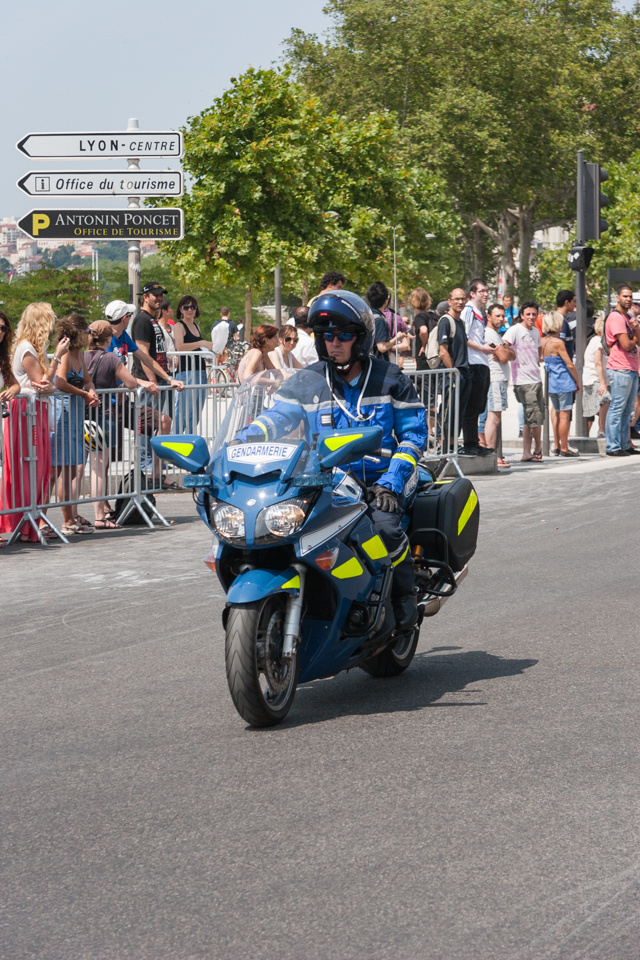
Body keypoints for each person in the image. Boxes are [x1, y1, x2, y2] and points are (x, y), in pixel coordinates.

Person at [240, 290, 427, 635]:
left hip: (381, 478)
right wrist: (247, 436)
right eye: (326, 336)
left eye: (343, 335)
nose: (334, 343)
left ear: (361, 338)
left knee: (383, 527)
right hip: (327, 481)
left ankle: (404, 596)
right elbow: (277, 417)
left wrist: (391, 483)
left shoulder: (390, 378)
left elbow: (414, 437)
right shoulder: (307, 381)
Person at [0, 303, 69, 542]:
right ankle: (25, 525)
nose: (51, 328)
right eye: (49, 321)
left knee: (36, 469)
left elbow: (43, 386)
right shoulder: (26, 348)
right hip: (26, 412)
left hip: (31, 410)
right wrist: (57, 357)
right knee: (29, 469)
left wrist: (46, 386)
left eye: (3, 328)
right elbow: (41, 383)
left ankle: (30, 524)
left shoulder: (27, 348)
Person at [84, 320, 142, 528]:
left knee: (89, 467)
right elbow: (131, 382)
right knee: (100, 467)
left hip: (85, 415)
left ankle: (80, 515)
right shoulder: (110, 358)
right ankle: (100, 516)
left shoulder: (82, 356)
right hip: (105, 415)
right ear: (108, 339)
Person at [130, 283, 185, 481]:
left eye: (161, 295)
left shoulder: (153, 320)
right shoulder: (142, 320)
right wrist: (152, 381)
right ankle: (146, 471)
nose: (159, 298)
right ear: (145, 297)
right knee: (147, 429)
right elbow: (143, 354)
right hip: (149, 383)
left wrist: (166, 377)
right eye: (155, 295)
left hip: (159, 381)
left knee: (160, 426)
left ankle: (157, 471)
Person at [51, 314, 100, 535]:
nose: (89, 335)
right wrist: (83, 394)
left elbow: (87, 379)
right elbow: (60, 382)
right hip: (63, 414)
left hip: (75, 415)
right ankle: (66, 520)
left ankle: (71, 518)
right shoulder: (66, 355)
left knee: (71, 470)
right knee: (61, 470)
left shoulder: (79, 354)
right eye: (87, 331)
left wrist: (92, 392)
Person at [503, 300, 544, 462]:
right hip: (523, 380)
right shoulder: (515, 330)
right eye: (528, 314)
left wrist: (537, 359)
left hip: (536, 379)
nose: (531, 317)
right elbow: (504, 345)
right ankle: (538, 447)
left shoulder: (535, 331)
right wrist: (508, 356)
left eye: (534, 314)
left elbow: (539, 347)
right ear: (522, 315)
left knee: (531, 419)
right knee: (534, 418)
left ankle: (527, 452)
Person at [604, 284, 640, 456]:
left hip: (631, 367)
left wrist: (636, 329)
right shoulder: (616, 317)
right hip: (620, 368)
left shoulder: (629, 317)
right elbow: (626, 345)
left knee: (627, 410)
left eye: (630, 296)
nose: (628, 299)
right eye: (625, 296)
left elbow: (638, 341)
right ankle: (613, 446)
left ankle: (624, 444)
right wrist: (634, 339)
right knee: (617, 408)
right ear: (617, 298)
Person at [461, 279, 494, 456]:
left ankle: (474, 442)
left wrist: (485, 345)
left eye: (487, 291)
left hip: (482, 361)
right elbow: (464, 337)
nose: (485, 294)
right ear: (472, 293)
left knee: (479, 406)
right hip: (473, 362)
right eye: (482, 291)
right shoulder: (468, 311)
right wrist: (481, 348)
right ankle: (469, 443)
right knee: (472, 406)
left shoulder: (478, 312)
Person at [541, 311, 581, 457]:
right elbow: (569, 364)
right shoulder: (558, 343)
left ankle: (557, 445)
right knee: (565, 415)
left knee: (556, 413)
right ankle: (564, 447)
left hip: (551, 382)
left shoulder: (543, 341)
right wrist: (577, 380)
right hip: (564, 380)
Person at [173, 295, 212, 434]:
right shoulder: (179, 326)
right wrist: (201, 342)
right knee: (183, 411)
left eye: (192, 307)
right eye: (186, 307)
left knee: (195, 412)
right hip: (186, 372)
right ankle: (175, 439)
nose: (189, 310)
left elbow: (197, 348)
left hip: (200, 370)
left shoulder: (196, 326)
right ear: (180, 309)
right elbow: (180, 347)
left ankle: (188, 439)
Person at [438, 288, 471, 446]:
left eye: (462, 299)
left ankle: (452, 446)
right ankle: (442, 446)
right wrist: (453, 371)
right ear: (449, 301)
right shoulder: (446, 321)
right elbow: (443, 351)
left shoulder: (461, 323)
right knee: (448, 412)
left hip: (463, 374)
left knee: (458, 412)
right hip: (451, 375)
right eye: (456, 299)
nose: (460, 302)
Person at [484, 303, 515, 468]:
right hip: (495, 378)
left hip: (500, 379)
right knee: (493, 417)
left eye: (503, 316)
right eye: (497, 316)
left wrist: (504, 350)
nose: (501, 319)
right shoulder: (489, 334)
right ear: (489, 317)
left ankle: (492, 454)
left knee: (496, 416)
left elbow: (512, 354)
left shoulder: (497, 335)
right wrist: (504, 352)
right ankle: (491, 455)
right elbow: (504, 357)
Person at [0, 312, 20, 546]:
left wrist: (11, 391)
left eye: (4, 328)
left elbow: (15, 384)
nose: (1, 332)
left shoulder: (2, 357)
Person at [366, 281, 410, 362]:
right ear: (386, 301)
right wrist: (397, 338)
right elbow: (382, 347)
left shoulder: (367, 315)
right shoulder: (379, 319)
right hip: (377, 363)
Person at [582, 315, 610, 438]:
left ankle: (590, 433)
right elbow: (597, 363)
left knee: (591, 408)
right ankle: (602, 429)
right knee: (605, 400)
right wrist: (603, 383)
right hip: (595, 378)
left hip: (593, 378)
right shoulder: (598, 342)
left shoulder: (595, 340)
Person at [410, 288, 439, 372]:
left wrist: (423, 346)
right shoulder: (435, 316)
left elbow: (423, 331)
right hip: (435, 355)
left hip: (424, 357)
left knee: (423, 379)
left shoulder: (420, 317)